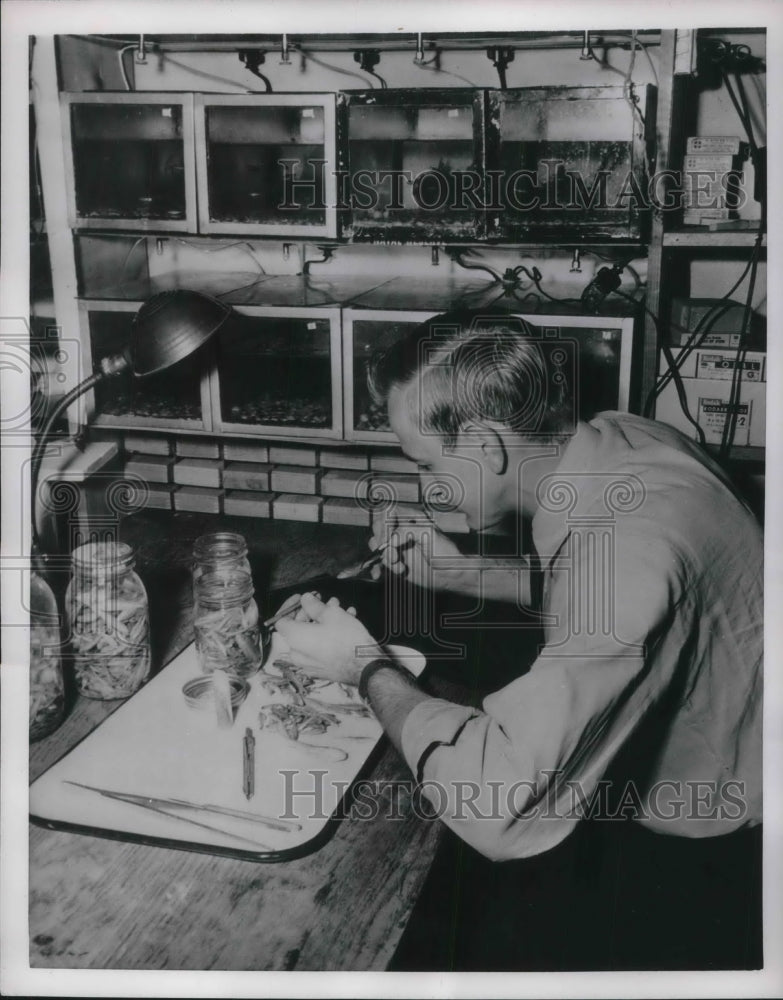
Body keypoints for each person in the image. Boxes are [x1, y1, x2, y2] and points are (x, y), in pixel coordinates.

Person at [275, 310, 763, 970]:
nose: (428, 486)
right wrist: (461, 570)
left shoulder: (625, 555)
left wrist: (363, 665)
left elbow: (500, 803)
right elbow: (612, 598)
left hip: (720, 851)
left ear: (484, 444)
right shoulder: (624, 439)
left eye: (424, 461)